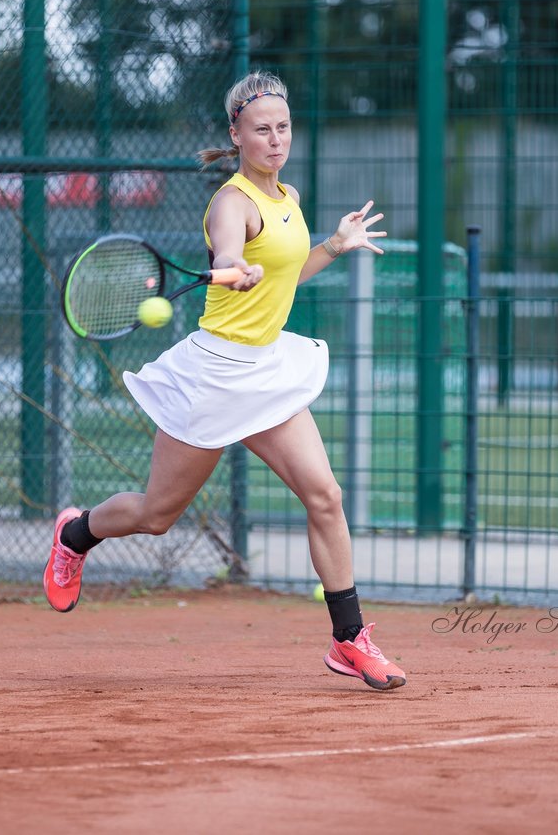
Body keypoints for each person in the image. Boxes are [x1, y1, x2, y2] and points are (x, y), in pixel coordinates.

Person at [42, 71, 406, 691]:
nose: (275, 139)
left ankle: (350, 640)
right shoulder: (233, 201)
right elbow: (229, 251)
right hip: (214, 376)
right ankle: (75, 534)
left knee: (326, 496)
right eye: (261, 129)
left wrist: (336, 245)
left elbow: (287, 274)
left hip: (267, 371)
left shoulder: (286, 197)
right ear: (236, 135)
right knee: (157, 514)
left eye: (283, 127)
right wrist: (232, 268)